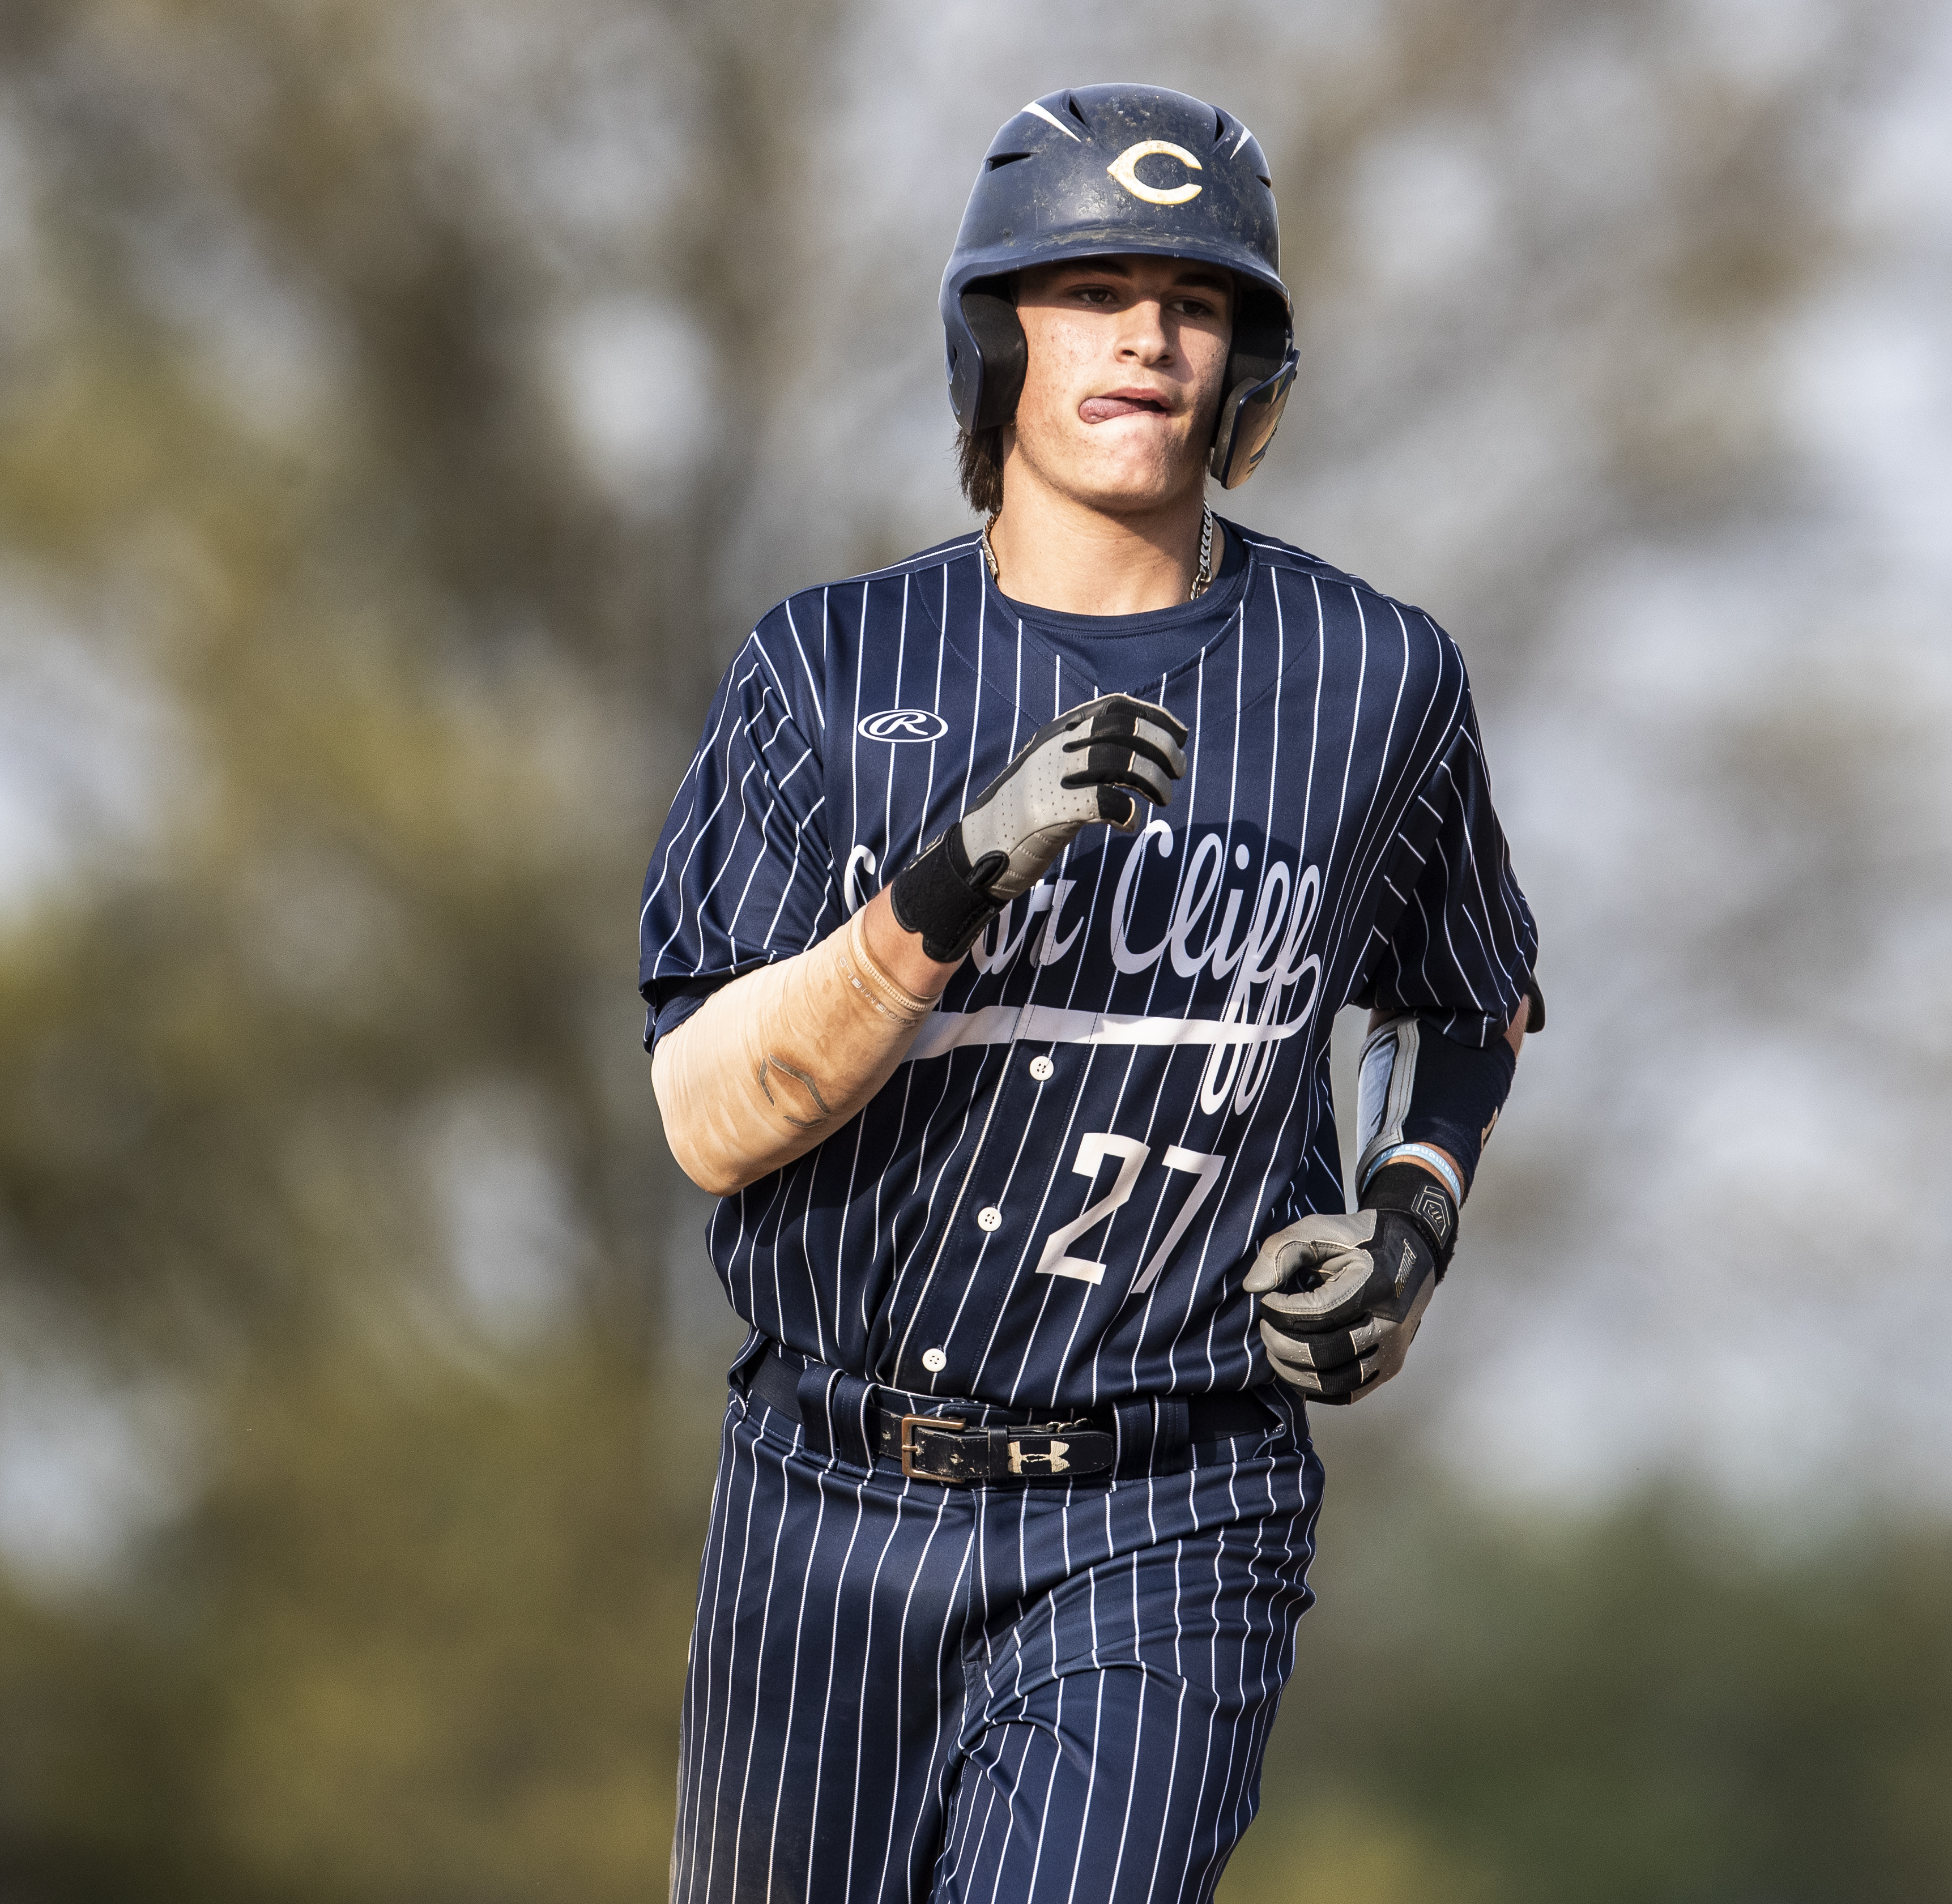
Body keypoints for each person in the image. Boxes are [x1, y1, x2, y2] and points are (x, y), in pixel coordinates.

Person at [638, 82, 1539, 1904]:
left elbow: (1466, 994)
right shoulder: (828, 668)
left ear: (1247, 365)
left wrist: (1408, 1227)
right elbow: (706, 1114)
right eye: (1090, 286)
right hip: (830, 1492)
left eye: (1195, 299)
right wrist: (965, 864)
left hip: (1168, 1499)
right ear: (999, 337)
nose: (1145, 332)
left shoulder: (1372, 675)